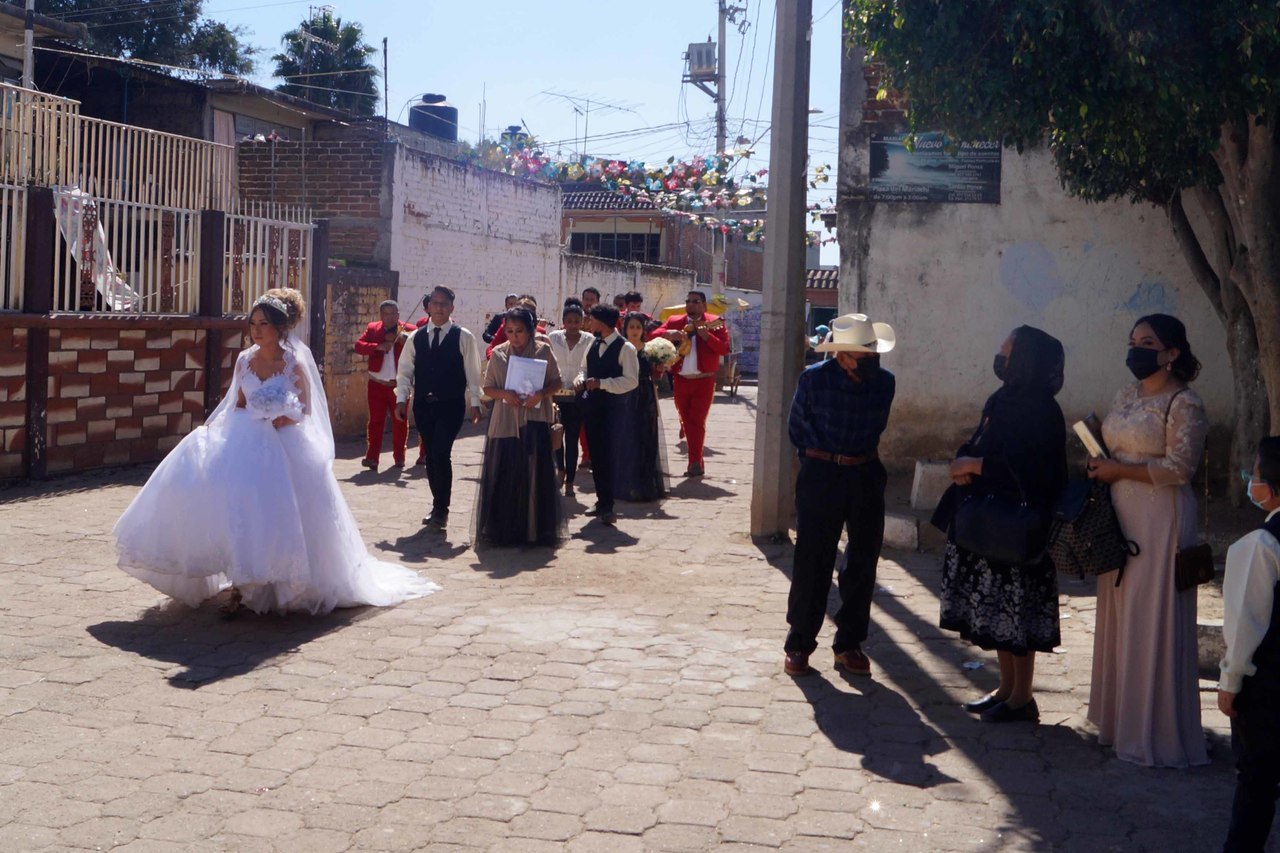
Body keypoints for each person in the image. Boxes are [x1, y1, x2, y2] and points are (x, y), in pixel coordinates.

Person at [113, 289, 439, 614]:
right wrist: (226, 424)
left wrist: (284, 416)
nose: (256, 330)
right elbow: (238, 403)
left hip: (284, 442)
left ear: (279, 327)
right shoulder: (244, 360)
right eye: (252, 323)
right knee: (236, 504)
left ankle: (274, 579)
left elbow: (306, 408)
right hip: (245, 438)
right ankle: (241, 580)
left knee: (276, 509)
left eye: (264, 324)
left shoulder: (293, 362)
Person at [1086, 313, 1209, 767]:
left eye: (1147, 343)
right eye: (1133, 341)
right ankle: (1119, 724)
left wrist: (1119, 469)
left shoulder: (1185, 403)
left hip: (1161, 519)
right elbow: (1114, 445)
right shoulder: (1125, 394)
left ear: (1172, 352)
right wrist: (1100, 464)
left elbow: (1180, 468)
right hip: (1116, 516)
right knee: (1121, 611)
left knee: (1151, 614)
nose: (1136, 349)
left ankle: (1154, 734)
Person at [935, 327, 1067, 723]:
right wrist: (963, 462)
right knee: (995, 615)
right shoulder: (1003, 398)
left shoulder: (1042, 410)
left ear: (1025, 359)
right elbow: (983, 440)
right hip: (988, 522)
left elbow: (1034, 470)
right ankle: (1005, 689)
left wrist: (976, 466)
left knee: (1016, 615)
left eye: (1007, 353)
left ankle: (1022, 697)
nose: (1000, 358)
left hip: (1018, 529)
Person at [783, 313, 896, 677]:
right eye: (864, 352)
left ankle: (849, 644)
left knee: (862, 562)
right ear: (843, 354)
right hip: (822, 474)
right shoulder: (813, 379)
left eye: (873, 351)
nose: (872, 357)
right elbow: (797, 429)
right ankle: (799, 643)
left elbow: (876, 426)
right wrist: (822, 460)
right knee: (812, 560)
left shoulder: (884, 382)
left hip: (865, 472)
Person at [1220, 438, 1280, 852]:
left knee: (1256, 784)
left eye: (1254, 473)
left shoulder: (1261, 545)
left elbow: (1246, 623)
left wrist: (1230, 681)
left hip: (1268, 690)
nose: (1250, 480)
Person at [395, 287, 483, 532]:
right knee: (431, 456)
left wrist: (475, 402)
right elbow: (404, 371)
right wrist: (401, 399)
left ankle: (442, 509)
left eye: (444, 304)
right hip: (424, 406)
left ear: (452, 307)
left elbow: (473, 372)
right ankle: (437, 504)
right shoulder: (416, 338)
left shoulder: (463, 337)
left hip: (451, 405)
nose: (439, 308)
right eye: (435, 303)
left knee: (441, 453)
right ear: (428, 307)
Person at [475, 307, 564, 546]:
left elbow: (557, 381)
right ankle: (505, 530)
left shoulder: (543, 351)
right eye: (510, 331)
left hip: (536, 420)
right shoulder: (498, 354)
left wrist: (541, 394)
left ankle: (534, 531)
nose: (514, 337)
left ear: (531, 330)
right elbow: (488, 388)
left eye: (520, 331)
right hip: (506, 421)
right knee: (506, 473)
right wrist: (505, 394)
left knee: (534, 474)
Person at [651, 290, 730, 477]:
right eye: (688, 301)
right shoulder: (675, 321)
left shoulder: (715, 322)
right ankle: (697, 462)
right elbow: (653, 334)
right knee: (686, 421)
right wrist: (667, 333)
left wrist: (707, 337)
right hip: (680, 379)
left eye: (696, 301)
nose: (691, 305)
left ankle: (694, 462)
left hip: (704, 380)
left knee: (696, 420)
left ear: (704, 305)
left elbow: (725, 349)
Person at [575, 303, 638, 526]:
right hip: (593, 408)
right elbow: (583, 368)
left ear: (602, 322)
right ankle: (601, 500)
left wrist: (603, 383)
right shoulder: (592, 343)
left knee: (610, 457)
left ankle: (609, 505)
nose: (589, 323)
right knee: (597, 455)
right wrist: (581, 380)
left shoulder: (625, 348)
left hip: (615, 410)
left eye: (592, 319)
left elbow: (631, 381)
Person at [353, 300, 412, 472]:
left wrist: (401, 337)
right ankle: (372, 458)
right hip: (377, 383)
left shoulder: (408, 329)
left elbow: (418, 343)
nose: (390, 318)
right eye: (386, 314)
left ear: (398, 315)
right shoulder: (373, 329)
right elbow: (359, 346)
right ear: (381, 315)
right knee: (375, 421)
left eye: (393, 314)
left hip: (399, 385)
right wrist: (378, 346)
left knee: (400, 421)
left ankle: (399, 457)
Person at [616, 310, 668, 502]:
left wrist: (660, 369)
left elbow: (656, 375)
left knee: (646, 438)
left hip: (646, 396)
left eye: (638, 327)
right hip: (625, 396)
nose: (635, 330)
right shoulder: (621, 348)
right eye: (631, 327)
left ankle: (646, 485)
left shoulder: (650, 350)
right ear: (625, 329)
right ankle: (626, 485)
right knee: (626, 439)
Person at [548, 302, 594, 498]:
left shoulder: (589, 340)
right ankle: (560, 470)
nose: (573, 325)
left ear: (582, 322)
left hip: (577, 396)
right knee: (557, 436)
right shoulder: (553, 338)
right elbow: (548, 362)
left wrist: (581, 380)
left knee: (572, 439)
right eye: (569, 321)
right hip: (556, 395)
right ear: (563, 322)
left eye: (577, 321)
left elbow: (588, 366)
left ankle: (570, 481)